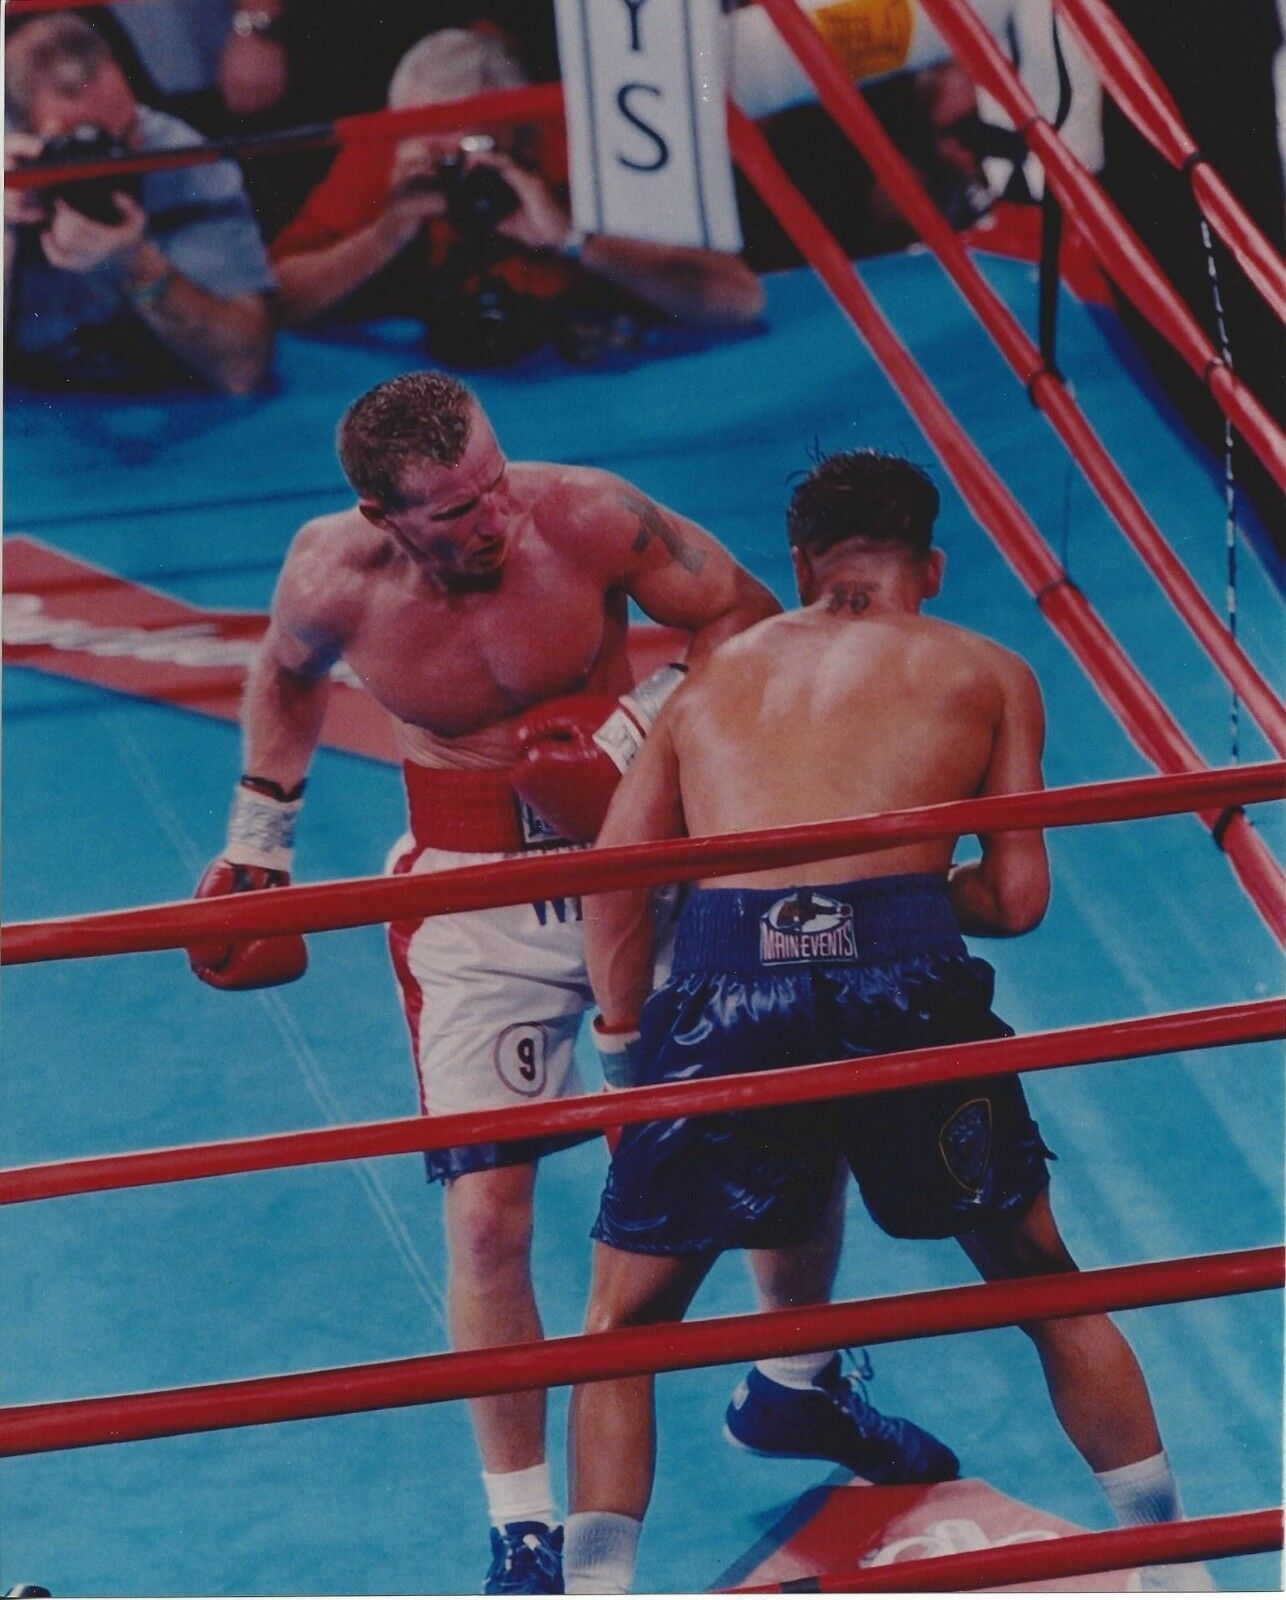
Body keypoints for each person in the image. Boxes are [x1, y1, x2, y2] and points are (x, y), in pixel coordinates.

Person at [184, 376, 948, 1594]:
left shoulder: (585, 515)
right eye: (457, 509)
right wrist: (258, 836)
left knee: (786, 1131)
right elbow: (285, 672)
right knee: (486, 1215)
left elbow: (740, 615)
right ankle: (521, 1524)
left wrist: (632, 732)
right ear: (386, 515)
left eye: (495, 478)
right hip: (469, 903)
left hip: (640, 864)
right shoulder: (329, 578)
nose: (495, 516)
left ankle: (796, 1387)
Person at [566, 450, 1207, 1594]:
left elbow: (618, 878)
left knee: (620, 1326)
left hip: (730, 993)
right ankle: (1177, 1574)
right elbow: (1014, 899)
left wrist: (625, 1049)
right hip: (900, 985)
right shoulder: (987, 669)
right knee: (1040, 1280)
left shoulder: (706, 680)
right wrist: (903, 897)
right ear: (933, 566)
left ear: (802, 561)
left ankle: (595, 1590)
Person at [269, 27, 764, 358]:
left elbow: (737, 299)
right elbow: (279, 301)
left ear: (521, 130)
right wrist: (384, 235)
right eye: (443, 158)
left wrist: (575, 240)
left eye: (479, 147)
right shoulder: (384, 156)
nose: (462, 173)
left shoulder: (588, 144)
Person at [4, 14, 274, 394]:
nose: (118, 157)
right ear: (24, 135)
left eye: (127, 129)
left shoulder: (182, 161)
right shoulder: (8, 172)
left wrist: (140, 266)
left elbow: (241, 368)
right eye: (87, 140)